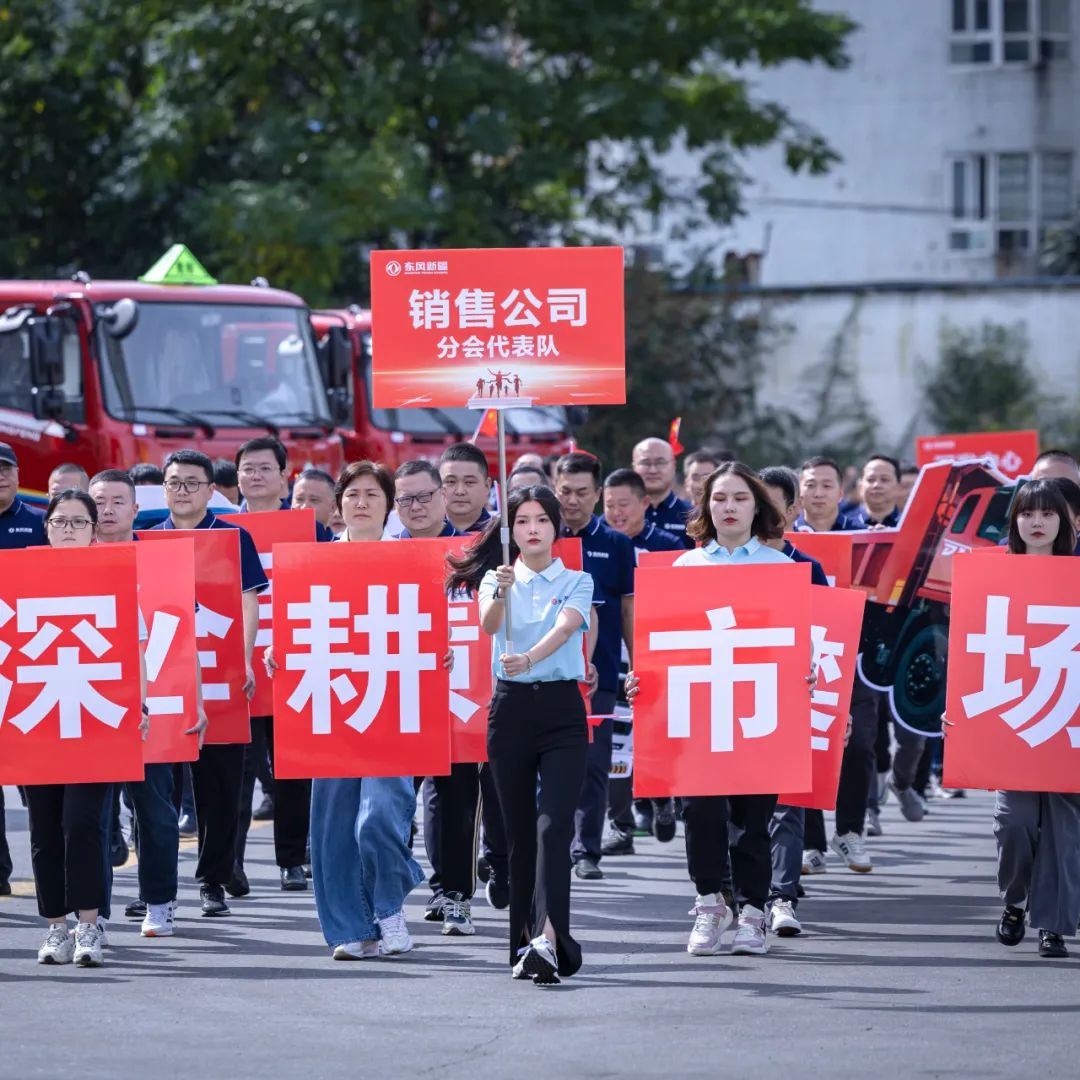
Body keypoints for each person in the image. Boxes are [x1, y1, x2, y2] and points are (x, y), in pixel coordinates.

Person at [626, 461, 815, 957]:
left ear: (758, 506)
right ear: (706, 507)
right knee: (702, 812)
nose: (728, 507)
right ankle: (710, 902)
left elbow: (799, 645)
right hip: (699, 710)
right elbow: (664, 646)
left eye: (739, 498)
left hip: (759, 709)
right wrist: (641, 679)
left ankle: (753, 912)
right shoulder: (685, 568)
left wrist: (807, 671)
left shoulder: (782, 570)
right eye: (719, 499)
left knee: (754, 818)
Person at [269, 460, 426, 959]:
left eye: (372, 495)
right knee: (334, 825)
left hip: (391, 703)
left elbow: (432, 625)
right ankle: (352, 929)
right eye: (353, 494)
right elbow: (290, 627)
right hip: (331, 704)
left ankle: (389, 908)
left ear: (389, 506)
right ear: (338, 506)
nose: (362, 502)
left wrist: (437, 651)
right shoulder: (313, 561)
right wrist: (279, 652)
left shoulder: (414, 558)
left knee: (379, 816)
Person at [447, 486, 594, 985]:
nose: (532, 529)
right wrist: (503, 591)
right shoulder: (495, 576)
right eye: (523, 521)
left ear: (556, 528)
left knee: (554, 828)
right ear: (511, 530)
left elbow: (566, 628)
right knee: (517, 836)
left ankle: (549, 941)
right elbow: (489, 625)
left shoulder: (577, 579)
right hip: (508, 711)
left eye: (542, 520)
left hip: (561, 711)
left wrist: (530, 658)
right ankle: (524, 943)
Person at [27, 489, 150, 966]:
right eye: (60, 522)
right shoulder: (23, 576)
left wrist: (138, 705)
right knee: (44, 826)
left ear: (95, 530)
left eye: (79, 523)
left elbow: (135, 649)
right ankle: (55, 927)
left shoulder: (114, 578)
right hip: (38, 716)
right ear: (48, 527)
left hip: (97, 716)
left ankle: (88, 924)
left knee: (83, 823)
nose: (68, 530)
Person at [960, 479, 1080, 959]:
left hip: (1067, 717)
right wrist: (961, 703)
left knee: (1064, 827)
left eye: (1048, 514)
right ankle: (1015, 900)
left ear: (1066, 523)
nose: (1037, 522)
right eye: (1027, 513)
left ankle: (1053, 923)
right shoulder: (990, 576)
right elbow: (972, 650)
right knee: (1014, 823)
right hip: (1014, 718)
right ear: (1014, 521)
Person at [89, 469, 208, 937]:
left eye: (119, 501)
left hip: (156, 700)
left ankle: (160, 902)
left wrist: (195, 701)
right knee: (91, 815)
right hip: (91, 698)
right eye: (99, 501)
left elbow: (186, 640)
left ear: (137, 510)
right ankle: (92, 909)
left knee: (155, 809)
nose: (108, 510)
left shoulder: (162, 561)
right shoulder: (66, 564)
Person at [151, 449, 267, 916]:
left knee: (220, 787)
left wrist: (244, 660)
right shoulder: (148, 540)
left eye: (192, 483)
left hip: (222, 674)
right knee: (158, 788)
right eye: (175, 482)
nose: (183, 491)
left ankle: (213, 880)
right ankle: (155, 886)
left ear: (210, 490)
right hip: (165, 675)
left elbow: (249, 602)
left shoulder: (234, 539)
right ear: (164, 488)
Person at [760, 466, 873, 904]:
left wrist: (835, 707)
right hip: (739, 693)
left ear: (792, 511)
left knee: (787, 796)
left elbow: (823, 640)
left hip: (790, 693)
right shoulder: (720, 564)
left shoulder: (807, 568)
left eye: (772, 506)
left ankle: (782, 894)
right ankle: (748, 892)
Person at [392, 460, 481, 934]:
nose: (416, 506)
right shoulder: (383, 553)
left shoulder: (473, 554)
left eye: (425, 495)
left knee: (455, 801)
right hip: (396, 692)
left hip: (459, 693)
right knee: (390, 803)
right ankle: (391, 893)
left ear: (444, 496)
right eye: (405, 498)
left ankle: (456, 895)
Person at [232, 437, 313, 893]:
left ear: (285, 476)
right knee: (238, 772)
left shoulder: (309, 528)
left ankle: (291, 859)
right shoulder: (221, 526)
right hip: (237, 665)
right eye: (248, 469)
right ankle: (232, 864)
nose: (256, 476)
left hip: (293, 662)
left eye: (265, 468)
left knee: (292, 770)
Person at [555, 452, 633, 880]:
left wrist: (636, 663)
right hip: (542, 669)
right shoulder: (537, 535)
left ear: (598, 494)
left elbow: (626, 611)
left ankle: (586, 849)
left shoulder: (616, 544)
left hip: (597, 672)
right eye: (564, 491)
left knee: (593, 761)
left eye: (582, 492)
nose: (572, 500)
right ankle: (548, 841)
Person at [599, 467, 682, 852]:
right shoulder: (600, 543)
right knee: (616, 740)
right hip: (611, 656)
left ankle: (662, 798)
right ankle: (621, 824)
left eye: (624, 504)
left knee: (655, 736)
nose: (616, 512)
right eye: (609, 504)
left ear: (644, 504)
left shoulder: (668, 546)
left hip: (659, 655)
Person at [0, 441, 47, 895]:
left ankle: (47, 856)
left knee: (36, 779)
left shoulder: (40, 522)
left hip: (35, 660)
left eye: (5, 469)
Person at [631, 436, 693, 547]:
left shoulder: (693, 516)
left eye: (660, 463)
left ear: (674, 466)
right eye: (645, 463)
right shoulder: (619, 517)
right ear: (634, 467)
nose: (653, 470)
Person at [795, 457, 860, 532]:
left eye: (827, 486)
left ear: (840, 494)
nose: (818, 494)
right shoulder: (784, 535)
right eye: (810, 485)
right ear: (799, 492)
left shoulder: (863, 534)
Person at [439, 442, 493, 534]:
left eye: (469, 482)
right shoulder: (422, 534)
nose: (460, 491)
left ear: (487, 486)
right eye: (451, 482)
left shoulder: (503, 537)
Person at [851, 455, 902, 528]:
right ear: (860, 487)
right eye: (871, 480)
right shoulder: (843, 526)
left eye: (884, 480)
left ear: (898, 487)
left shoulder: (911, 525)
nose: (877, 485)